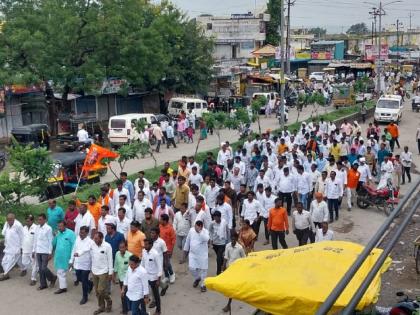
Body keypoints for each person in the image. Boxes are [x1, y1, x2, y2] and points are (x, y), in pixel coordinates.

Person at [69, 226, 94, 305]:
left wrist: (78, 254)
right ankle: (90, 283)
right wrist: (71, 260)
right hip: (77, 263)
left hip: (86, 264)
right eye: (80, 232)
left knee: (83, 280)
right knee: (79, 278)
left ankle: (85, 297)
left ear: (87, 233)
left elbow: (85, 250)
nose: (81, 234)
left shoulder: (90, 242)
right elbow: (74, 249)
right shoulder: (77, 239)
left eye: (83, 233)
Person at [221, 232, 246, 313]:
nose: (233, 240)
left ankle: (228, 305)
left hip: (237, 270)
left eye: (234, 239)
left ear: (237, 239)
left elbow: (244, 259)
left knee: (232, 288)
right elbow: (226, 257)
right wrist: (223, 267)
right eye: (232, 239)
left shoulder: (240, 248)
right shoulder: (227, 246)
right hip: (229, 268)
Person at [184, 220, 210, 292]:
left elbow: (206, 239)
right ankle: (197, 278)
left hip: (202, 255)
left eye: (197, 227)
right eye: (195, 226)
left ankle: (203, 285)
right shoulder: (191, 230)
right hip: (193, 254)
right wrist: (185, 250)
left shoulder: (205, 231)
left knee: (203, 270)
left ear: (201, 226)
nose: (195, 228)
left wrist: (200, 231)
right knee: (191, 268)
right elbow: (188, 241)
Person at [91, 232, 113, 315]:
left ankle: (109, 301)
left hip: (103, 271)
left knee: (101, 290)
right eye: (94, 238)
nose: (95, 240)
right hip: (94, 270)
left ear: (101, 238)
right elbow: (85, 249)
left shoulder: (107, 246)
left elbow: (110, 259)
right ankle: (101, 306)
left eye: (96, 238)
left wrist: (110, 273)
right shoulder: (92, 245)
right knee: (97, 291)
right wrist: (78, 254)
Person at [33, 213, 57, 290]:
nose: (39, 221)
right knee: (40, 269)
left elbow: (50, 241)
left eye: (40, 219)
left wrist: (50, 252)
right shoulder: (37, 228)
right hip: (38, 250)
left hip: (45, 251)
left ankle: (52, 277)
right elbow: (35, 240)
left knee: (43, 268)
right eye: (38, 219)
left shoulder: (48, 228)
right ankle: (43, 284)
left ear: (45, 220)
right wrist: (34, 250)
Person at [52, 221, 76, 294]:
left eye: (61, 226)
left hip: (68, 256)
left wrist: (72, 257)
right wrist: (55, 236)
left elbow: (74, 245)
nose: (59, 228)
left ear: (65, 226)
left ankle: (80, 281)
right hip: (59, 257)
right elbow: (53, 244)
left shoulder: (71, 233)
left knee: (75, 271)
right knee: (60, 272)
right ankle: (63, 287)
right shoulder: (58, 233)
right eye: (58, 226)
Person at [141, 238, 163, 315]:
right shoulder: (143, 251)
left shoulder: (155, 254)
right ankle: (144, 311)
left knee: (156, 295)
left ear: (151, 245)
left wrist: (158, 279)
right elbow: (142, 264)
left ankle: (158, 310)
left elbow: (160, 267)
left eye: (146, 244)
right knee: (144, 294)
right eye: (144, 244)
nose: (145, 246)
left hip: (154, 277)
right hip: (146, 276)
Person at [0, 213, 24, 281]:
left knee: (10, 261)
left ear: (14, 219)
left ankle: (5, 274)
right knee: (5, 261)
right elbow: (3, 233)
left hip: (16, 247)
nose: (9, 221)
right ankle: (24, 269)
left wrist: (22, 247)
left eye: (10, 220)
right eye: (7, 220)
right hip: (8, 246)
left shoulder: (18, 225)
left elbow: (22, 237)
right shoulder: (6, 224)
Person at [208, 211, 230, 275]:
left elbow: (228, 232)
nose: (215, 218)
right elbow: (210, 230)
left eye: (217, 217)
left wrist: (228, 242)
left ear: (219, 217)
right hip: (215, 243)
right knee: (219, 257)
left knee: (218, 258)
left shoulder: (224, 223)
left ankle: (218, 273)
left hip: (222, 243)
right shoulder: (212, 223)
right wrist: (211, 238)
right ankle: (223, 266)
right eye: (214, 217)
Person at [114, 241, 132, 315]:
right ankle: (125, 309)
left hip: (129, 279)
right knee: (123, 294)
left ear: (126, 247)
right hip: (121, 278)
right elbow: (116, 265)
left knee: (127, 294)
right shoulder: (117, 254)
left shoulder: (130, 255)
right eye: (120, 247)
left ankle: (128, 308)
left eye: (123, 247)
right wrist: (113, 276)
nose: (121, 249)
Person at [159, 214, 176, 285]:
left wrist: (171, 250)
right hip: (160, 249)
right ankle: (166, 276)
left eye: (161, 219)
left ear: (165, 221)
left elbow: (173, 239)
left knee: (167, 263)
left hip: (167, 249)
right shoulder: (160, 226)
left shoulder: (170, 228)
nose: (160, 220)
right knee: (163, 264)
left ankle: (172, 274)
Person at [21, 214, 38, 285]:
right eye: (26, 221)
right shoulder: (23, 228)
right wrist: (21, 247)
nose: (27, 222)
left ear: (32, 221)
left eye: (29, 221)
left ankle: (33, 278)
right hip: (25, 249)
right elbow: (22, 238)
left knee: (34, 264)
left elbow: (37, 240)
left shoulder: (36, 228)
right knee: (24, 262)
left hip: (33, 250)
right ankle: (38, 269)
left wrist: (35, 250)